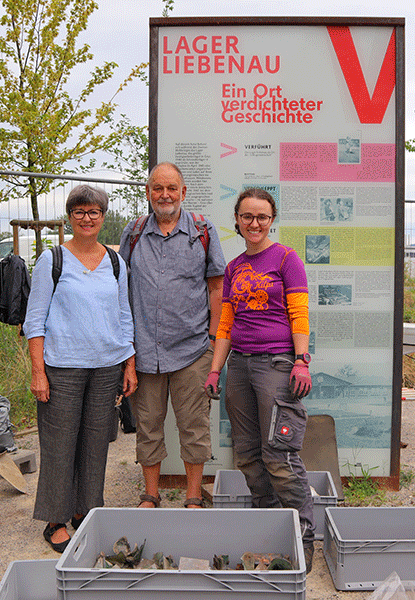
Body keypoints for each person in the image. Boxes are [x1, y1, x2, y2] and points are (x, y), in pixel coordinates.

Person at [204, 187, 315, 572]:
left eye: (262, 217)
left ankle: (303, 541)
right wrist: (216, 369)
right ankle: (270, 534)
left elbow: (298, 314)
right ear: (236, 219)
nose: (254, 223)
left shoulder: (286, 259)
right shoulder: (234, 267)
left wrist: (301, 361)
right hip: (240, 367)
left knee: (279, 457)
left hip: (277, 366)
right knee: (249, 455)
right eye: (247, 217)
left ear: (272, 219)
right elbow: (225, 324)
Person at [23, 185, 136, 552]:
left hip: (106, 367)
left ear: (103, 217)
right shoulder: (53, 260)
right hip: (62, 368)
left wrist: (128, 364)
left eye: (95, 212)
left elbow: (124, 316)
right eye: (80, 212)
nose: (87, 218)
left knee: (94, 444)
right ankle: (56, 519)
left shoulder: (116, 262)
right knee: (59, 444)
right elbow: (35, 319)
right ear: (70, 216)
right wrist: (38, 371)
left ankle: (86, 512)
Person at [119, 162, 226, 510]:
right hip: (145, 352)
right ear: (148, 193)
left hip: (192, 351)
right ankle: (150, 495)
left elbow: (216, 287)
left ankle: (194, 496)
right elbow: (122, 289)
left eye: (171, 188)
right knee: (148, 426)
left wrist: (212, 342)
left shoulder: (202, 230)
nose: (164, 195)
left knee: (194, 427)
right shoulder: (133, 233)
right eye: (157, 188)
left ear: (183, 192)